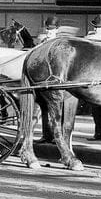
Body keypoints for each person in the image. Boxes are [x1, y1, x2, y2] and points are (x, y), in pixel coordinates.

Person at [33, 15, 62, 144]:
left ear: (57, 29)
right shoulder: (43, 41)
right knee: (44, 108)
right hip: (43, 79)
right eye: (48, 29)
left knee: (57, 110)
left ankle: (58, 137)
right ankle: (46, 135)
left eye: (52, 29)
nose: (50, 31)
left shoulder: (61, 43)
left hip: (57, 80)